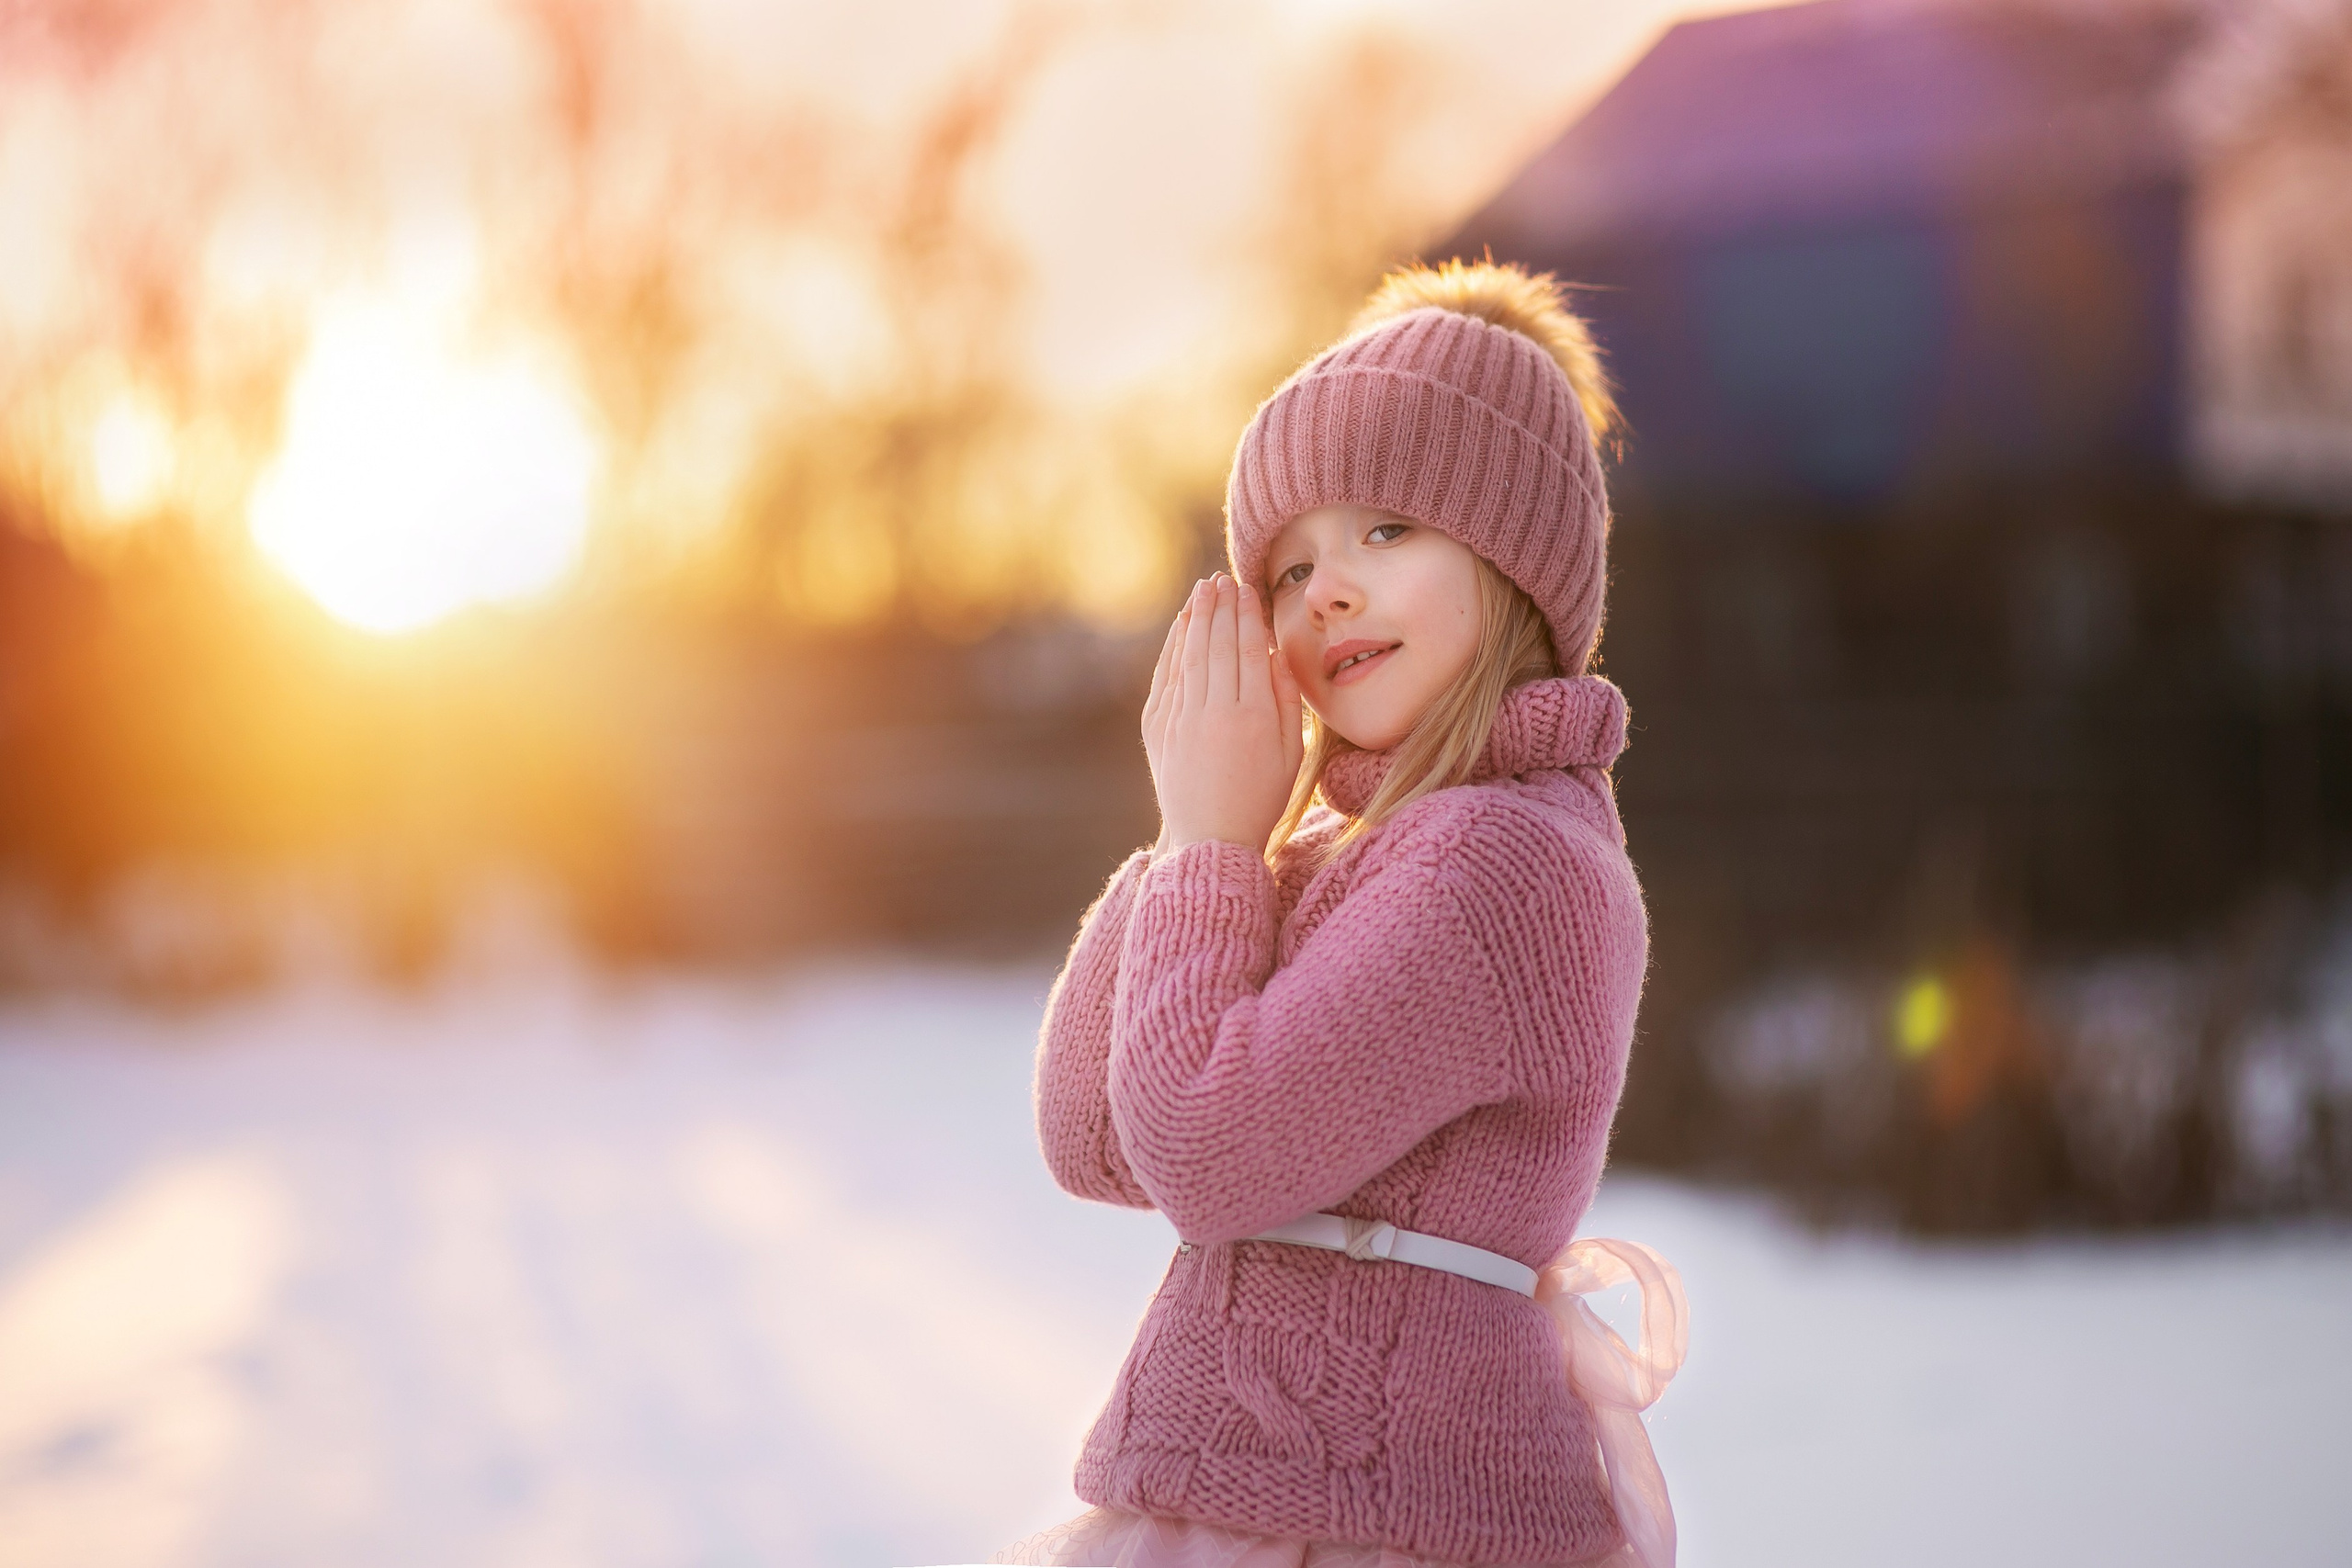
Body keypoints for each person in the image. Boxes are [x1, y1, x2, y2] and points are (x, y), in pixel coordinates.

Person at [994, 261, 1685, 1568]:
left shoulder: (1507, 864)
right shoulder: (1344, 852)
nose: (1328, 592)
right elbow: (1093, 1130)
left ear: (1519, 563)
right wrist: (1189, 842)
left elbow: (1203, 1154)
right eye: (1291, 564)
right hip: (1235, 1503)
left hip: (1371, 1519)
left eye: (1386, 531)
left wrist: (1208, 846)